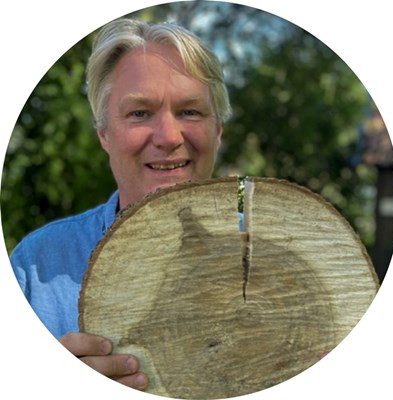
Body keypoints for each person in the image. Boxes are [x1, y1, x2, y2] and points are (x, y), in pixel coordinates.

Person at [9, 17, 232, 391]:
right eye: (140, 113)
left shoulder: (289, 255)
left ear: (218, 131)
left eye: (190, 111)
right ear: (104, 135)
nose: (168, 137)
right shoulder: (34, 272)